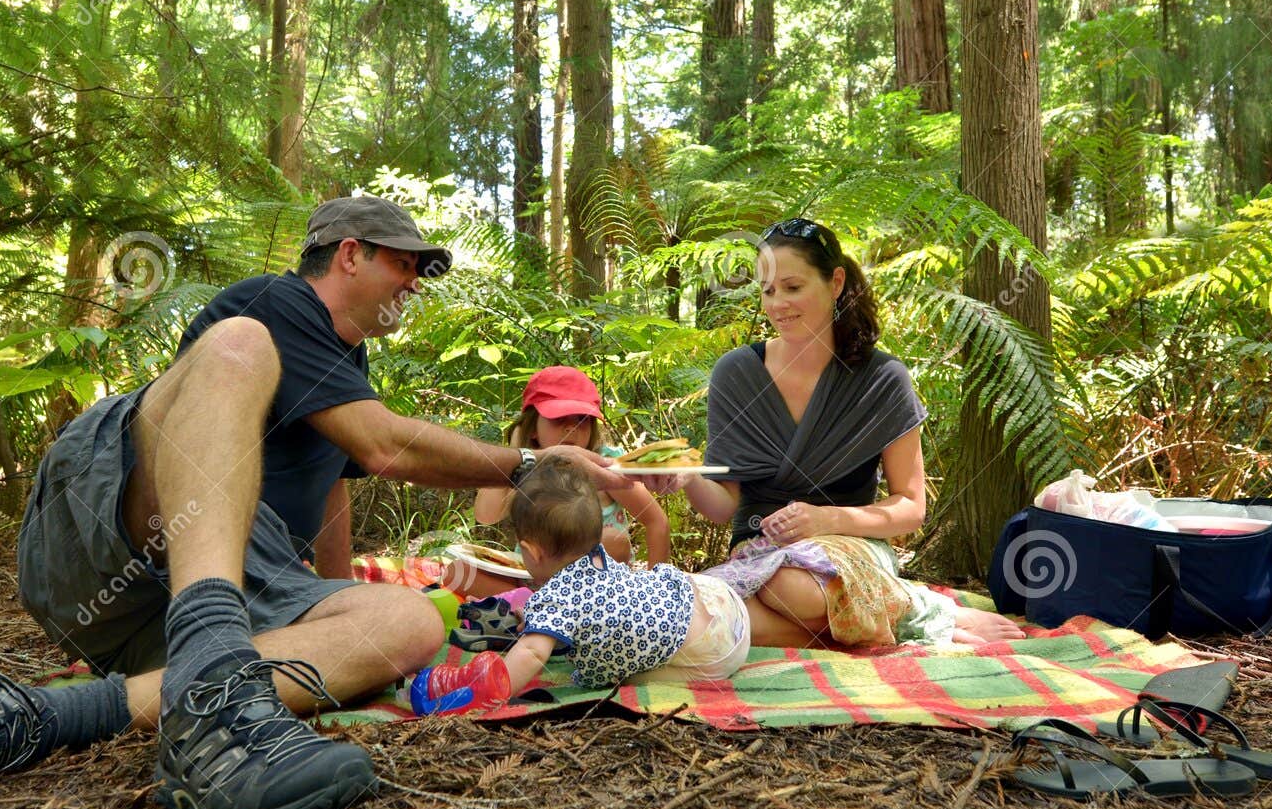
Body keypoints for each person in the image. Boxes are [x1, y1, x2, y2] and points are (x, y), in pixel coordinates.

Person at [0, 195, 627, 809]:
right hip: (110, 522)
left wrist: (338, 607)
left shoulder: (347, 369)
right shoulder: (276, 303)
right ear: (350, 254)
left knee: (408, 624)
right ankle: (210, 661)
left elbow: (336, 484)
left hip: (196, 597)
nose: (415, 285)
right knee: (236, 346)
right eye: (406, 264)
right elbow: (383, 445)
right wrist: (532, 465)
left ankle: (33, 717)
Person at [675, 217, 1025, 650]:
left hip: (848, 547)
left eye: (792, 286)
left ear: (836, 282)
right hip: (757, 553)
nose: (777, 303)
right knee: (697, 614)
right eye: (767, 291)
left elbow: (911, 508)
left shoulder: (883, 378)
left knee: (789, 589)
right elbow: (724, 506)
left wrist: (825, 519)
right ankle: (896, 620)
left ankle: (907, 610)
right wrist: (686, 476)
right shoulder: (736, 372)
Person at [411, 455, 749, 713]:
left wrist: (490, 689)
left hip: (713, 655)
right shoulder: (597, 555)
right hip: (720, 602)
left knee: (626, 676)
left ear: (530, 551)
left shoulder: (556, 599)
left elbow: (529, 654)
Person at [450, 366, 669, 599]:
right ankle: (536, 604)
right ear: (532, 427)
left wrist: (656, 591)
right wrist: (515, 453)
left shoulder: (604, 464)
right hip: (532, 575)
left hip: (591, 583)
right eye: (559, 418)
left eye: (582, 419)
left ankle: (538, 606)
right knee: (455, 572)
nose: (572, 427)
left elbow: (656, 521)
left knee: (612, 541)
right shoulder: (525, 464)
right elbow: (486, 515)